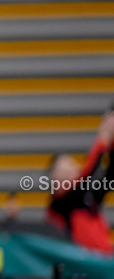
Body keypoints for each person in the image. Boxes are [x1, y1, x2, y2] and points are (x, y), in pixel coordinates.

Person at [46, 109, 114, 256]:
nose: (73, 171)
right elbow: (86, 178)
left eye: (73, 167)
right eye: (66, 170)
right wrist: (103, 138)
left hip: (103, 260)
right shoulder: (59, 205)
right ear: (54, 180)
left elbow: (109, 177)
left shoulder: (85, 199)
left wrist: (111, 143)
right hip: (78, 266)